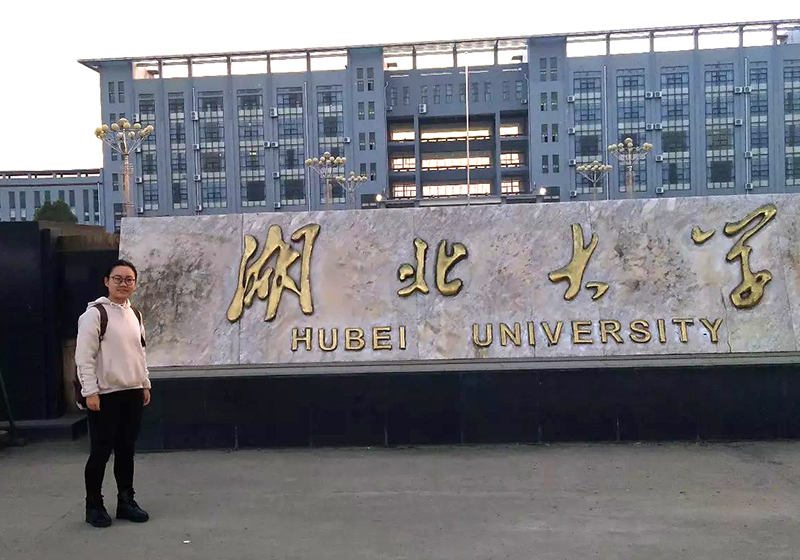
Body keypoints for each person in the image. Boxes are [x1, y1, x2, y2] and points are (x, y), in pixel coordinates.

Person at [75, 259, 151, 528]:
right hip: (105, 395)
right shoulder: (94, 315)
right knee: (100, 452)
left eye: (129, 279)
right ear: (106, 281)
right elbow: (84, 357)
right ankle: (94, 505)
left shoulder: (135, 314)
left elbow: (140, 352)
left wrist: (144, 383)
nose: (123, 284)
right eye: (117, 278)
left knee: (126, 451)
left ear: (135, 284)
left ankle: (126, 501)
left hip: (132, 392)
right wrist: (90, 392)